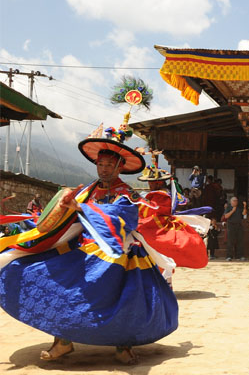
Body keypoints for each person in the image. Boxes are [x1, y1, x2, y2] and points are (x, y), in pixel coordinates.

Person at [0, 114, 178, 364]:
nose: (103, 169)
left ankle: (123, 346)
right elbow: (68, 213)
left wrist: (84, 209)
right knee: (55, 283)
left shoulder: (125, 193)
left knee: (124, 300)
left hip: (119, 253)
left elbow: (125, 216)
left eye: (108, 165)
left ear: (119, 167)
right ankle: (62, 342)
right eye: (100, 164)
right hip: (83, 248)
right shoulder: (88, 190)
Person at [135, 152, 209, 271]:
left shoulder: (161, 194)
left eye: (151, 182)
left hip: (158, 225)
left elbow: (151, 209)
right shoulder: (166, 192)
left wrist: (136, 208)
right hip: (160, 221)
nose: (149, 185)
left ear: (158, 182)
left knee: (141, 236)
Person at [223, 197, 246, 261]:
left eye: (236, 201)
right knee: (230, 241)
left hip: (239, 226)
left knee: (240, 241)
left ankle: (239, 256)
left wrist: (244, 206)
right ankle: (229, 256)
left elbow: (244, 214)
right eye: (234, 201)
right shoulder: (228, 208)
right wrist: (232, 210)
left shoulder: (239, 208)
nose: (235, 202)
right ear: (231, 202)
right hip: (231, 226)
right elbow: (226, 216)